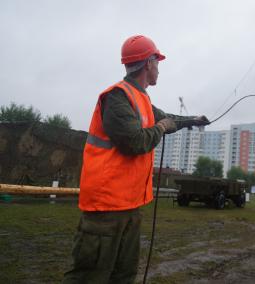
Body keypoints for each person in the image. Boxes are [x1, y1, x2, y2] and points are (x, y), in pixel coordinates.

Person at [63, 35, 210, 283]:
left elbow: (168, 119)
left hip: (129, 206)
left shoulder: (141, 99)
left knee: (123, 276)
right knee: (90, 277)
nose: (159, 70)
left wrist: (193, 120)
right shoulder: (117, 97)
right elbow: (135, 142)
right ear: (148, 63)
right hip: (106, 209)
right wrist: (161, 128)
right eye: (158, 62)